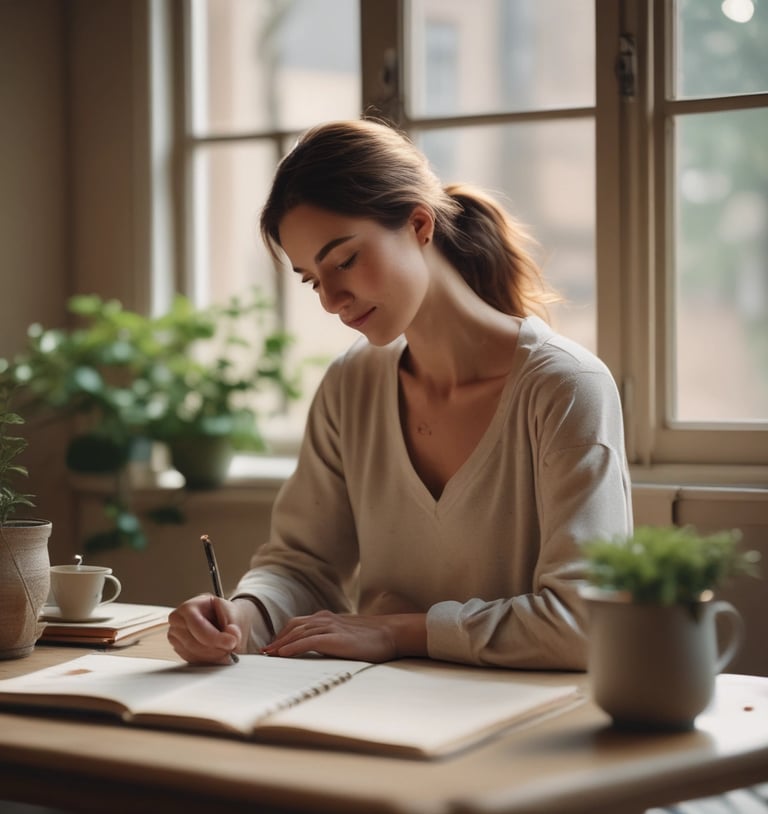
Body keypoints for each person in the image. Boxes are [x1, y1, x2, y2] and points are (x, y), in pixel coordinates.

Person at [168, 118, 633, 670]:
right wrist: (241, 615)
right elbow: (302, 565)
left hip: (523, 723)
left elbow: (588, 622)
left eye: (344, 260)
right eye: (313, 279)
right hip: (371, 706)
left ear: (418, 224)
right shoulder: (352, 384)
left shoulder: (565, 388)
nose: (332, 298)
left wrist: (395, 633)